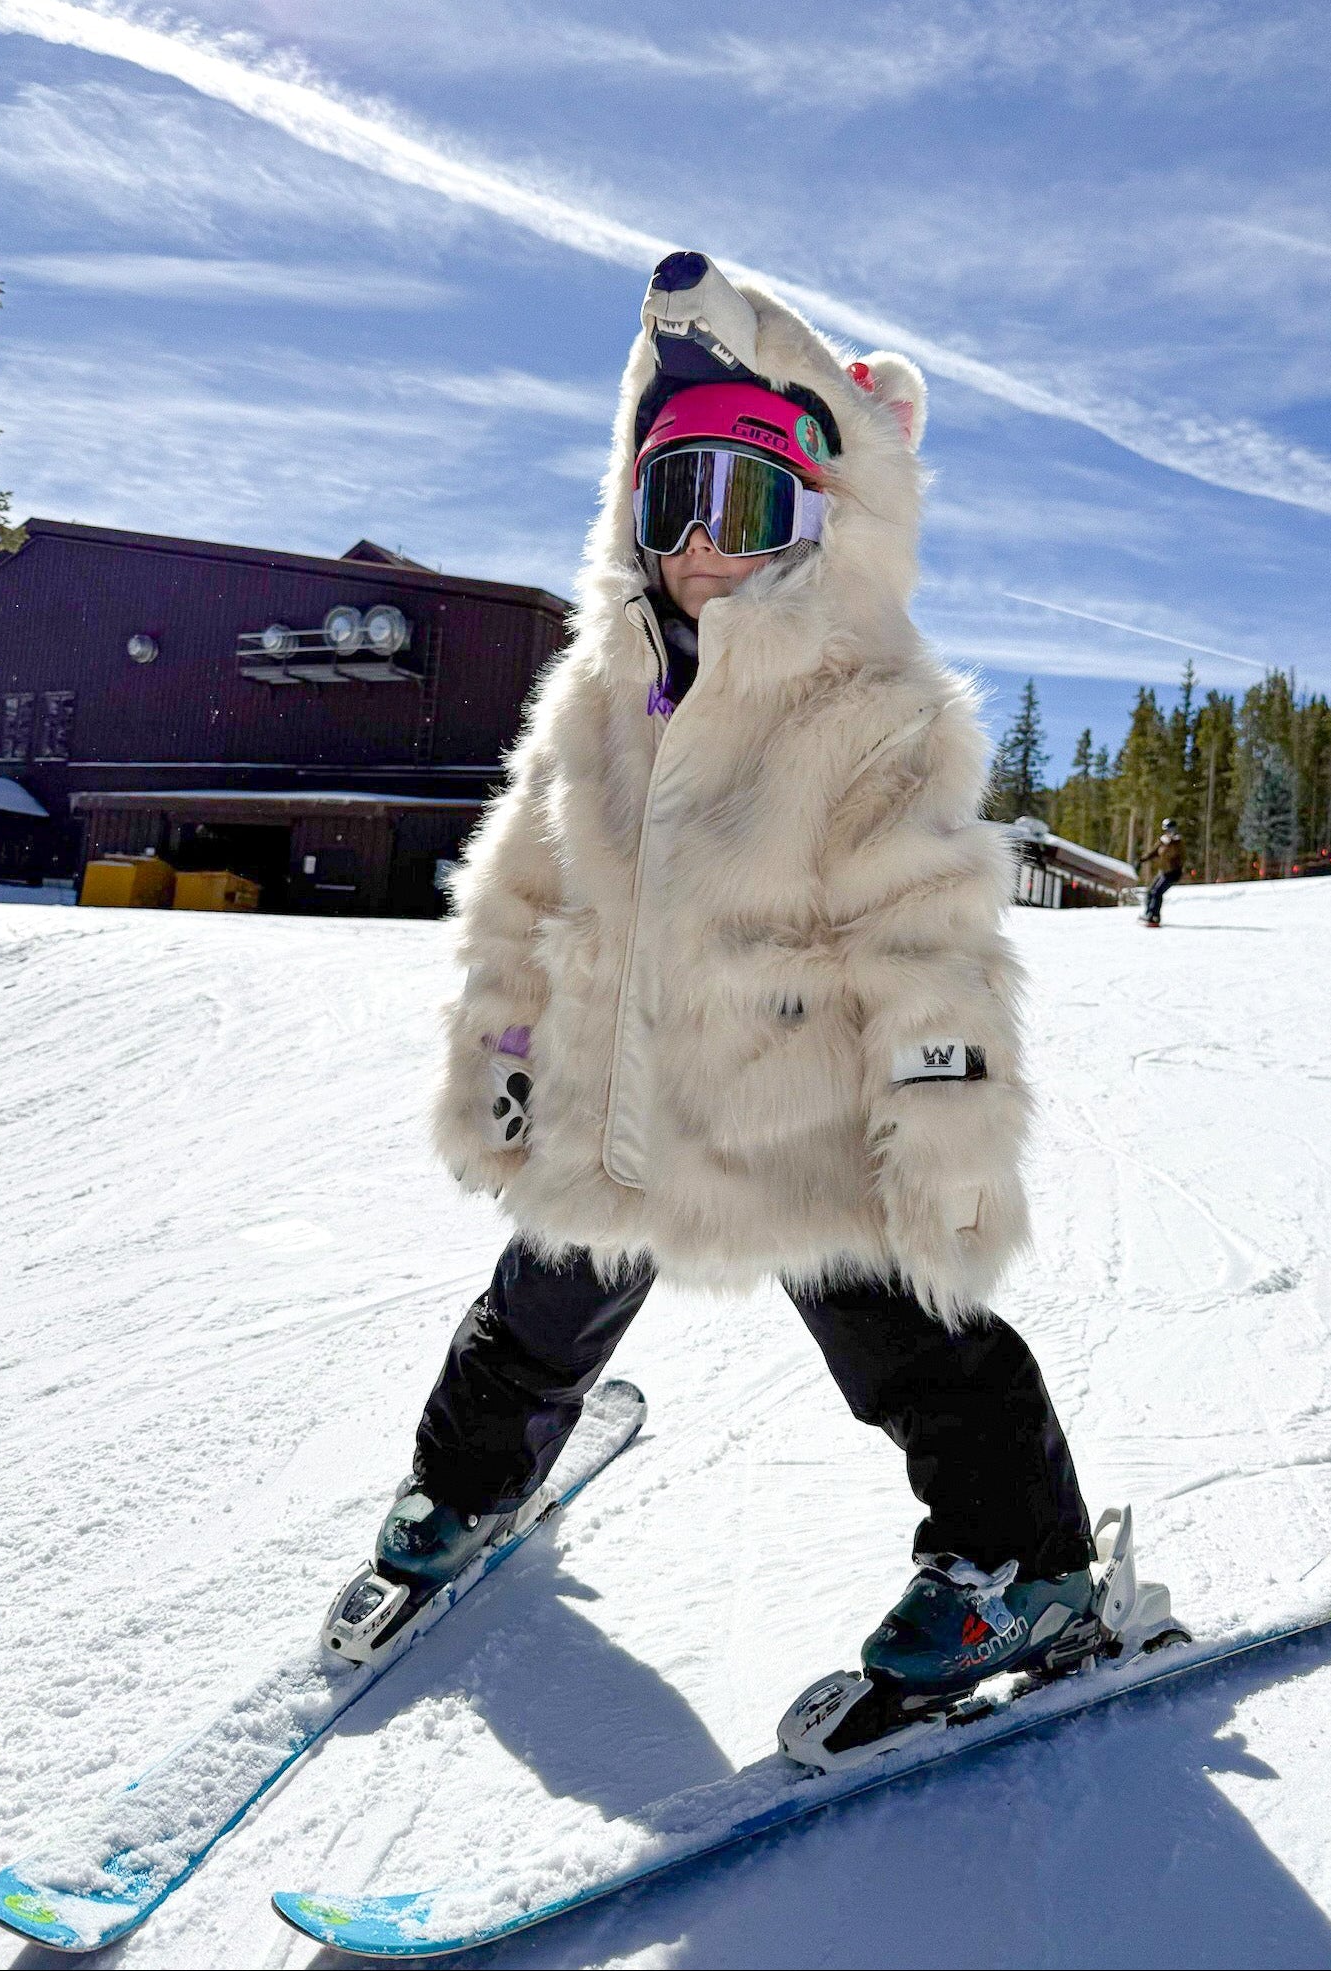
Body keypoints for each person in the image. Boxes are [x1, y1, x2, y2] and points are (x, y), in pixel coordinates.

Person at [350, 253, 1112, 1702]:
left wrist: (944, 1137)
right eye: (671, 503)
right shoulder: (598, 697)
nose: (703, 547)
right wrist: (501, 1052)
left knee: (912, 1340)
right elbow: (523, 890)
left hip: (796, 1106)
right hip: (617, 1095)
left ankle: (1030, 1565)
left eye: (745, 507)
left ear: (812, 528)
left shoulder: (869, 714)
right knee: (536, 1312)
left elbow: (929, 946)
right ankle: (467, 1484)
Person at [1136, 820, 1184, 926]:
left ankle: (1155, 917)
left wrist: (1171, 843)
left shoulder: (1177, 842)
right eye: (1168, 830)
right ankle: (1148, 914)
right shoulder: (1163, 841)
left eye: (1172, 830)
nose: (1170, 832)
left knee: (1157, 892)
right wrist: (1142, 860)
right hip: (1163, 872)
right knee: (1150, 892)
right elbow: (1154, 852)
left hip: (1173, 873)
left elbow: (1179, 855)